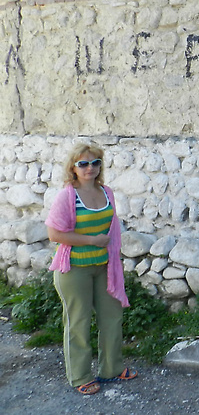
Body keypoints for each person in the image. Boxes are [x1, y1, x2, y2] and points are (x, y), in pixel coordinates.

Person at [46, 143, 138, 395]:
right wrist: (91, 241)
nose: (90, 168)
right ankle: (80, 377)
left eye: (95, 162)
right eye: (83, 163)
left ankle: (112, 368)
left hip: (105, 267)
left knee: (112, 317)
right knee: (78, 322)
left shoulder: (106, 192)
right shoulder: (68, 196)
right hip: (74, 269)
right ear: (73, 168)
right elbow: (54, 233)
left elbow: (111, 229)